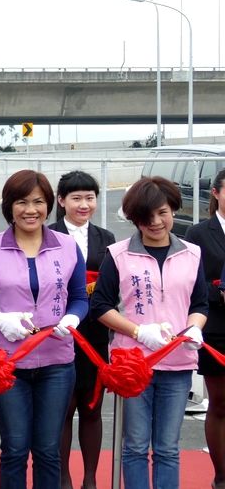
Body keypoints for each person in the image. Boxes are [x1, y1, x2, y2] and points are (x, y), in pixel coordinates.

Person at [0, 170, 87, 489]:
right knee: (15, 448)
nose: (30, 210)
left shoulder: (68, 246)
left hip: (57, 362)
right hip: (6, 364)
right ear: (9, 207)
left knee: (48, 450)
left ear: (49, 206)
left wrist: (72, 318)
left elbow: (79, 298)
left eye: (38, 202)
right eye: (22, 202)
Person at [89, 176, 208, 489]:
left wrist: (195, 327)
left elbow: (200, 303)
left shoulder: (192, 254)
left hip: (178, 363)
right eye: (147, 216)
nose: (156, 222)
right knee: (136, 445)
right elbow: (100, 306)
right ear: (134, 218)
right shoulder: (118, 254)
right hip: (133, 366)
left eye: (163, 212)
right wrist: (139, 331)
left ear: (173, 210)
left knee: (168, 447)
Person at [52, 170, 116, 489]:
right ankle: (62, 478)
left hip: (94, 334)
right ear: (61, 201)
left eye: (89, 197)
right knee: (63, 410)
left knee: (92, 407)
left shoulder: (107, 239)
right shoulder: (47, 234)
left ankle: (90, 479)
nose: (83, 204)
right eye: (76, 198)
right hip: (56, 334)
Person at [188, 167, 225, 489]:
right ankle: (221, 475)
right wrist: (219, 292)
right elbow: (191, 283)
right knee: (220, 402)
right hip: (216, 329)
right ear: (215, 193)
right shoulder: (199, 234)